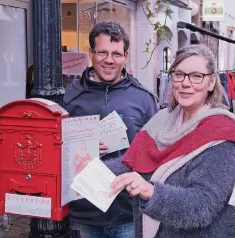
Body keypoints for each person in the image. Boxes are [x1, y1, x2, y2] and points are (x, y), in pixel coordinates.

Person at [110, 44, 235, 237]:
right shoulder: (162, 119)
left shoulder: (223, 133)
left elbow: (203, 206)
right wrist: (89, 170)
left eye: (196, 76)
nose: (185, 83)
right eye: (179, 74)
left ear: (211, 82)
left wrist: (151, 192)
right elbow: (131, 162)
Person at [63, 20, 158, 237]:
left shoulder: (143, 99)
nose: (109, 60)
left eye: (116, 54)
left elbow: (156, 153)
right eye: (102, 52)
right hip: (84, 212)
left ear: (125, 56)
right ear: (91, 53)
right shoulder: (69, 97)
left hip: (128, 212)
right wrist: (82, 149)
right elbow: (56, 150)